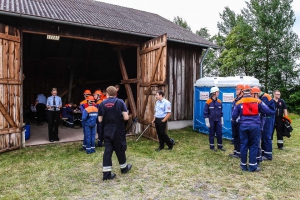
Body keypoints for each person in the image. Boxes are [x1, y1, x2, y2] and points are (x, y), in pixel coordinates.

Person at [232, 85, 271, 172]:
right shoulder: (257, 101)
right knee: (253, 145)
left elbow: (234, 116)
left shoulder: (239, 102)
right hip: (255, 126)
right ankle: (253, 166)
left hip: (243, 126)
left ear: (243, 92)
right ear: (250, 92)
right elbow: (267, 111)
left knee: (243, 145)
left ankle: (243, 165)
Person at [98, 86, 131, 180]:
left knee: (108, 151)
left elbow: (100, 119)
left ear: (106, 94)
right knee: (120, 148)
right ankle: (124, 168)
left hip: (107, 130)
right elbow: (126, 117)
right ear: (116, 93)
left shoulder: (102, 103)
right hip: (118, 130)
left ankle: (106, 174)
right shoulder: (120, 102)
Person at [204, 86, 225, 151]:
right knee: (212, 134)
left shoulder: (219, 101)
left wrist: (222, 120)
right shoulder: (208, 102)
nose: (218, 93)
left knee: (219, 133)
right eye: (217, 92)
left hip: (218, 120)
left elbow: (221, 111)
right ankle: (212, 147)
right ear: (214, 93)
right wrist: (207, 122)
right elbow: (205, 112)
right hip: (211, 121)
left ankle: (220, 146)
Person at [259, 89, 276, 161]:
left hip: (268, 118)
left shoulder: (266, 97)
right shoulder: (261, 96)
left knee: (266, 136)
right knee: (263, 136)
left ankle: (268, 155)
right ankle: (263, 152)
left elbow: (264, 108)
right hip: (265, 118)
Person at [229, 84, 244, 158]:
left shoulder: (243, 100)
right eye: (236, 90)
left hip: (240, 122)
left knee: (240, 137)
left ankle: (239, 153)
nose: (236, 91)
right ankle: (235, 152)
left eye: (238, 90)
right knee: (235, 137)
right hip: (234, 121)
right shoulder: (235, 100)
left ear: (242, 91)